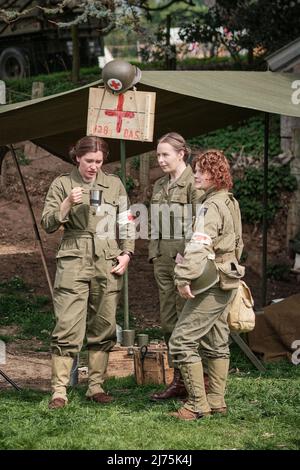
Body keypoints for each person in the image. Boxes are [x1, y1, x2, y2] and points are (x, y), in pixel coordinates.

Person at [41, 135, 135, 409]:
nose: (94, 166)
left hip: (107, 258)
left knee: (103, 324)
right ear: (77, 158)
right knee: (67, 326)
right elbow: (48, 223)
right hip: (74, 258)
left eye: (99, 161)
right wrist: (68, 203)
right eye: (89, 161)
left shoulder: (114, 184)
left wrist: (127, 253)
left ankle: (96, 386)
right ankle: (59, 391)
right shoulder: (63, 184)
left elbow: (126, 220)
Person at [168, 148, 245, 420]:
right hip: (228, 277)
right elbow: (238, 244)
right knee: (216, 341)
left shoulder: (210, 206)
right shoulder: (229, 201)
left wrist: (183, 277)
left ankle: (197, 405)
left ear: (215, 175)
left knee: (182, 341)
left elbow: (200, 245)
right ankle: (216, 401)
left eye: (201, 171)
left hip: (212, 279)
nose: (196, 175)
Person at [148, 132, 203, 400]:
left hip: (185, 262)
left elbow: (201, 225)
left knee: (186, 321)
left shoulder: (195, 183)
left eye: (165, 154)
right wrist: (154, 255)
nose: (160, 159)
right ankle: (178, 380)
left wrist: (189, 259)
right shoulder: (159, 185)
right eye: (158, 155)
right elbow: (153, 224)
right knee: (168, 321)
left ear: (181, 154)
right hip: (163, 259)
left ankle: (196, 382)